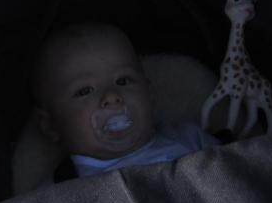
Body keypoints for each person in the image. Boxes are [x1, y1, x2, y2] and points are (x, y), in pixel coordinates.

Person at [32, 22, 220, 178]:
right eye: (85, 91)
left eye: (123, 81)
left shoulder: (191, 139)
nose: (112, 97)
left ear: (149, 94)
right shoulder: (62, 191)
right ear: (51, 125)